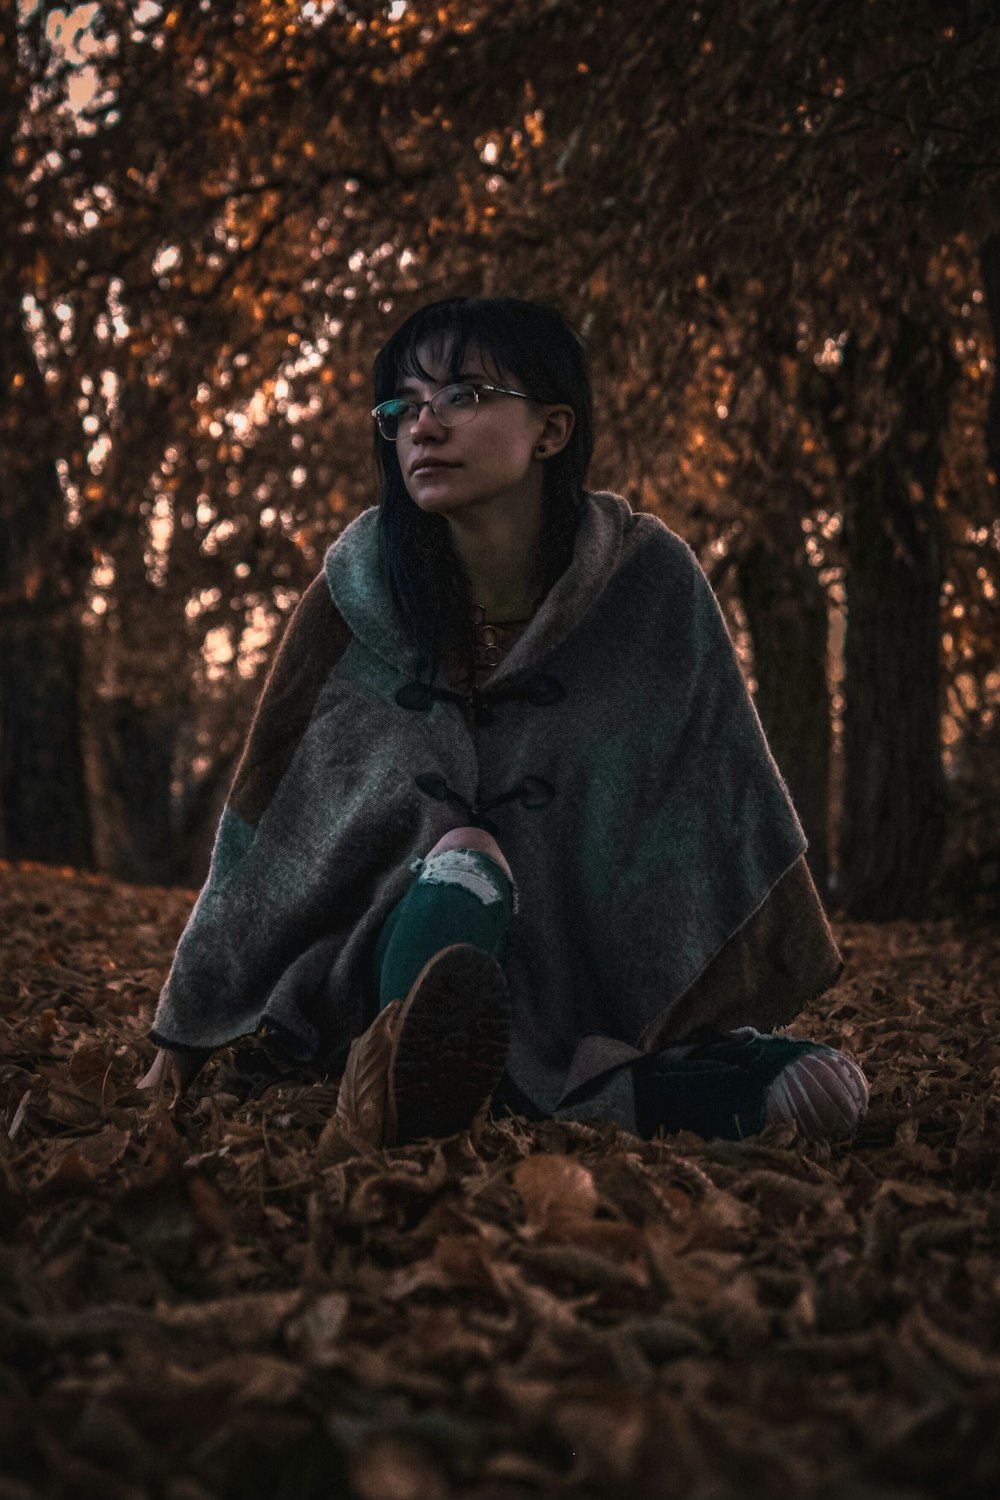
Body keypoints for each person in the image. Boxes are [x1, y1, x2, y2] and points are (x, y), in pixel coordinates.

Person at [141, 295, 867, 1147]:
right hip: (373, 970)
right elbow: (268, 837)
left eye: (465, 395)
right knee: (466, 859)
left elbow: (712, 799)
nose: (423, 425)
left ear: (551, 431)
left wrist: (705, 999)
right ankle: (411, 1081)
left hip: (576, 980)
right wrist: (182, 1034)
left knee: (829, 1095)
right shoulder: (351, 600)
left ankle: (534, 1090)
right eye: (401, 404)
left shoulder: (649, 587)